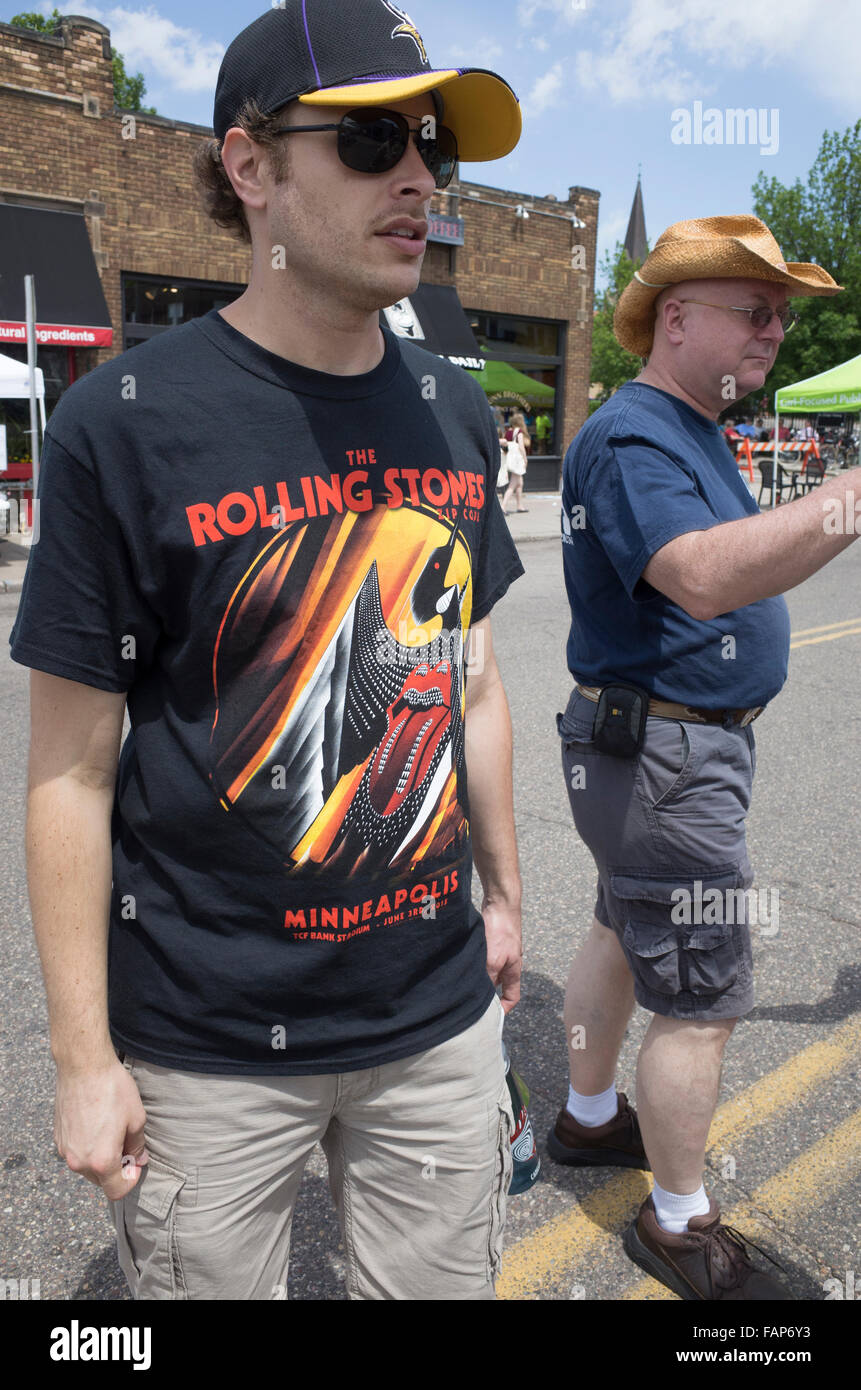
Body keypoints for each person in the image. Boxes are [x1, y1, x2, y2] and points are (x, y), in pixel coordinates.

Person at [10, 0, 526, 1301]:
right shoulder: (124, 427)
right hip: (209, 1041)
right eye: (367, 143)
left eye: (432, 148)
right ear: (250, 167)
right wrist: (84, 1057)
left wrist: (507, 897)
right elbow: (70, 768)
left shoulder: (453, 411)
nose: (418, 176)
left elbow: (469, 677)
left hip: (434, 1016)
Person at [550, 215, 858, 1300]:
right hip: (667, 757)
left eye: (781, 313)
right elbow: (700, 575)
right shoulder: (637, 434)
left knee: (617, 926)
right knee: (703, 995)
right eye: (755, 308)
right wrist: (843, 500)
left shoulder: (685, 426)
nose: (776, 330)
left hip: (651, 750)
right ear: (675, 317)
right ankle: (679, 1220)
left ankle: (591, 1119)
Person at [502, 411, 531, 513]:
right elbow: (522, 447)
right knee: (512, 485)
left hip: (510, 459)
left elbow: (505, 445)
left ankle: (520, 506)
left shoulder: (509, 431)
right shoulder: (519, 432)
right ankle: (503, 506)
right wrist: (525, 459)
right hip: (517, 461)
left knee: (520, 483)